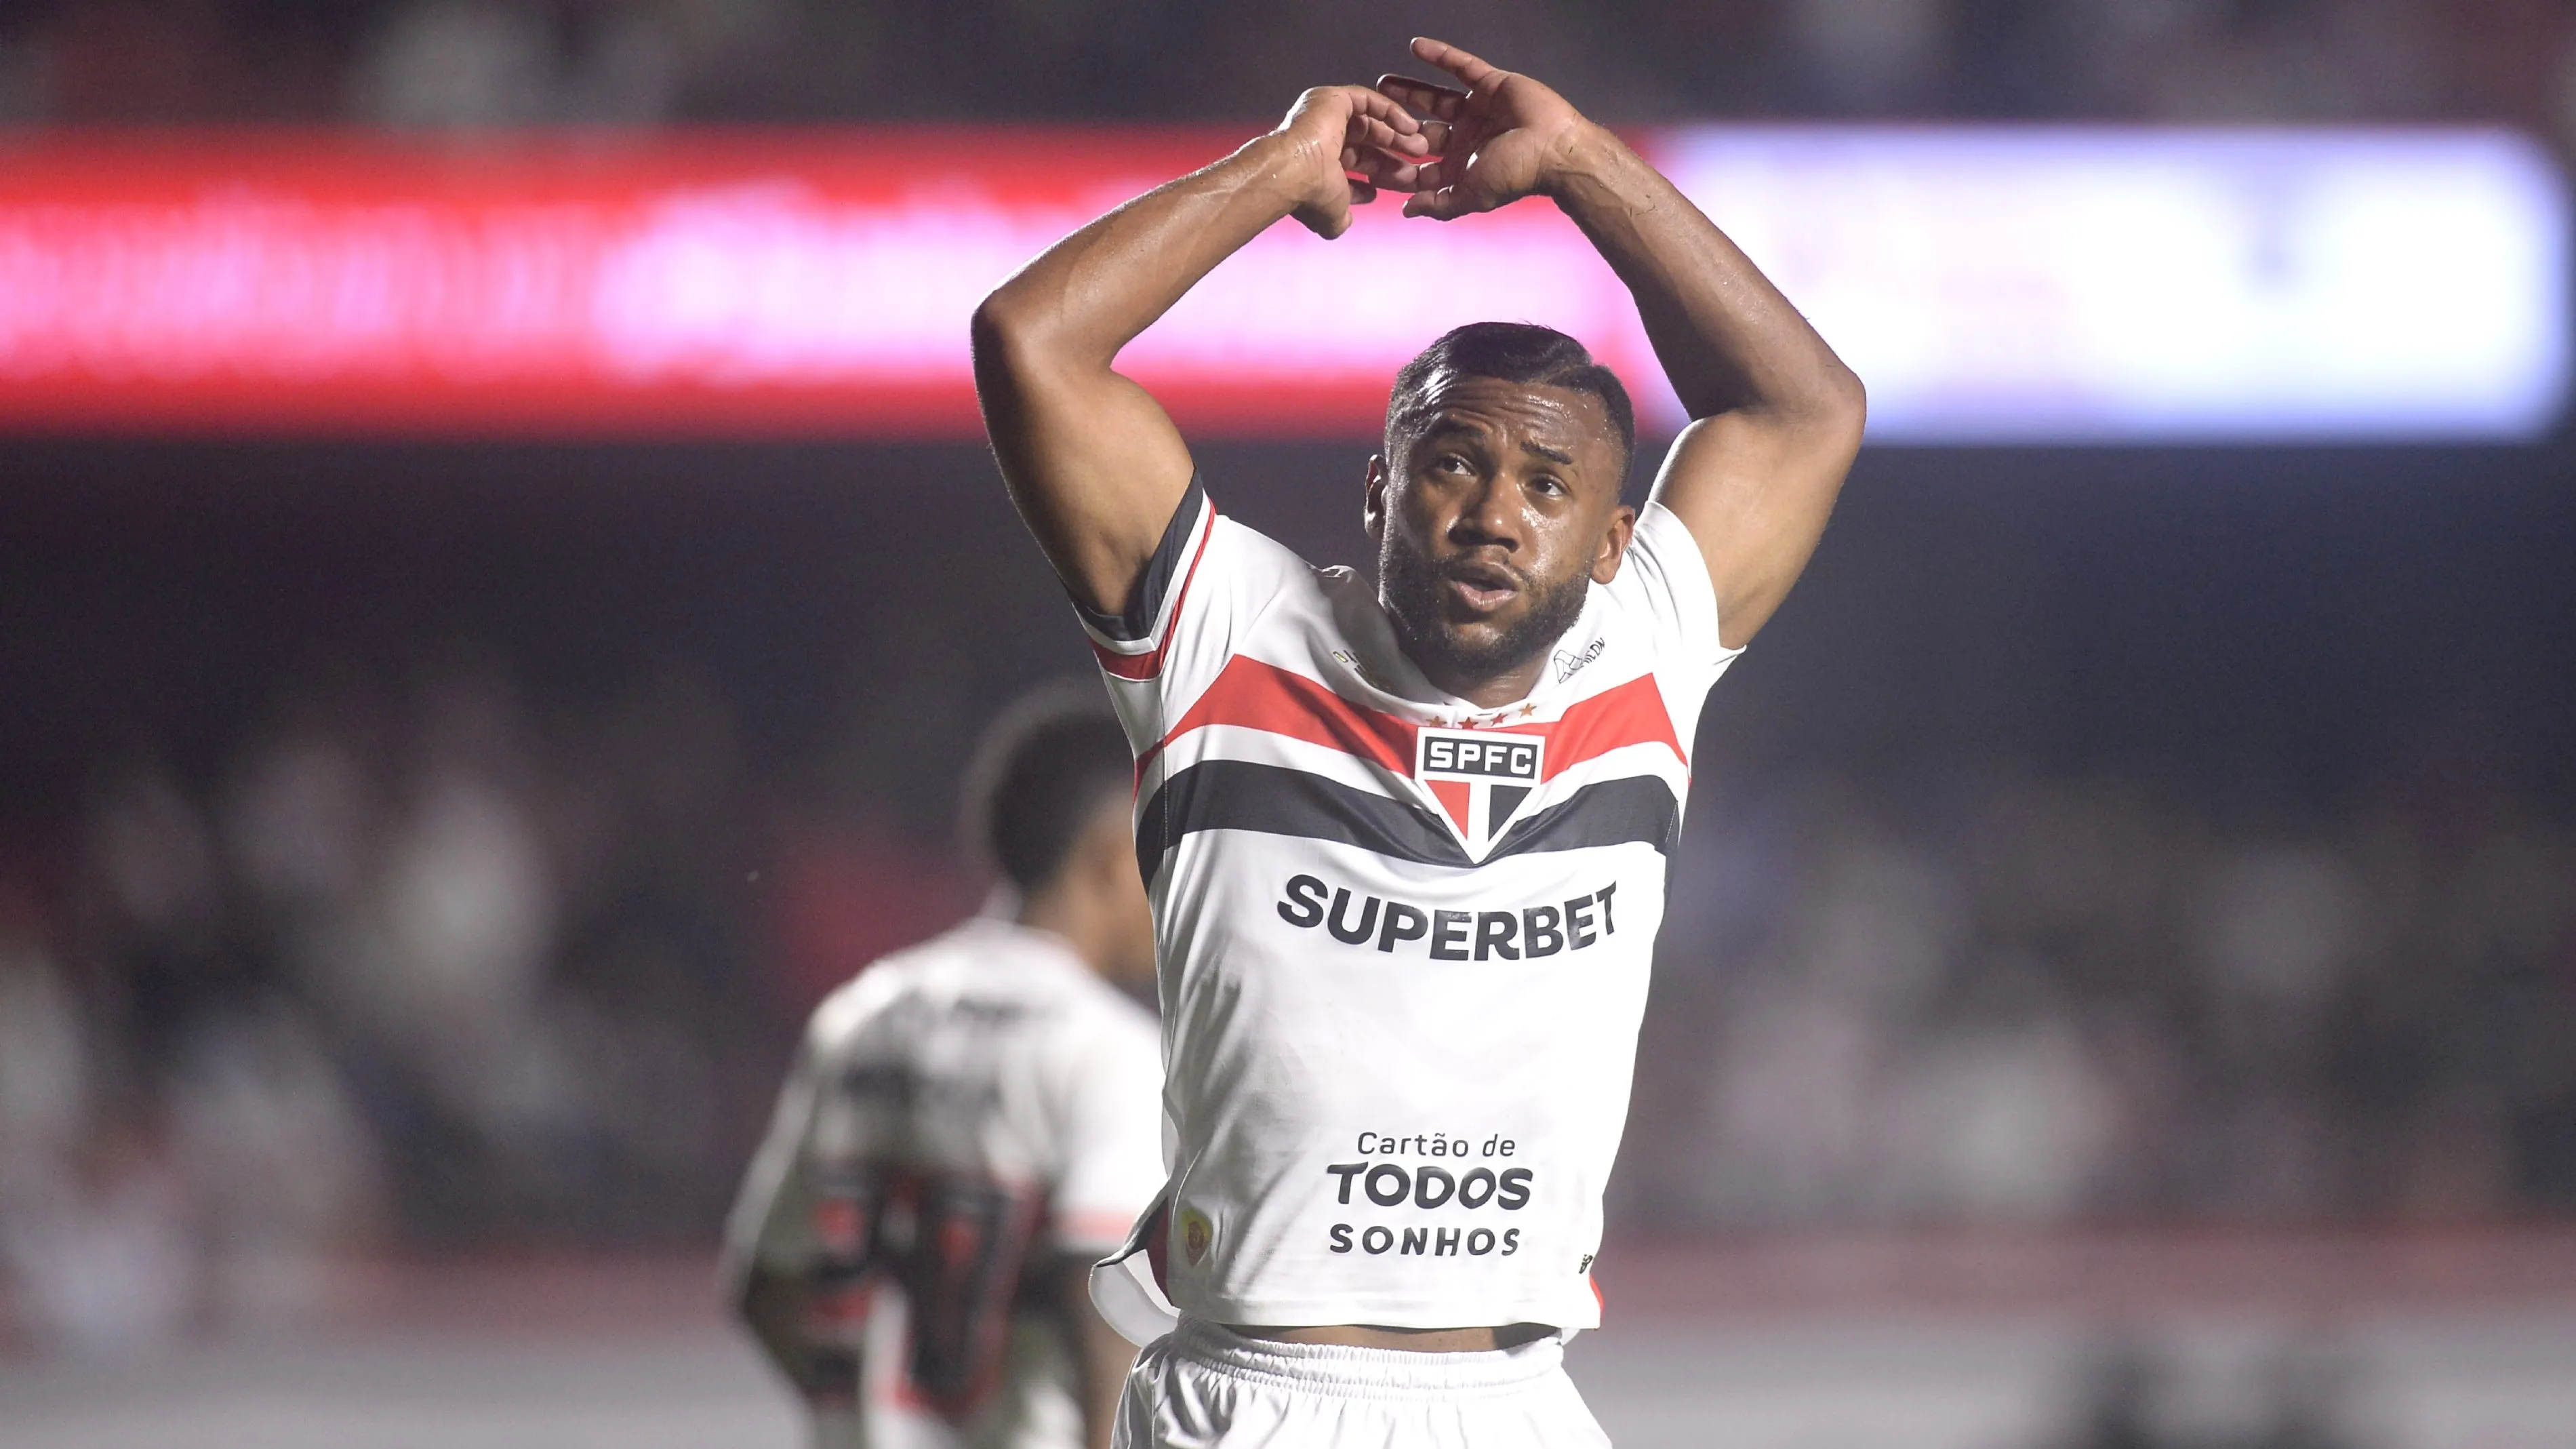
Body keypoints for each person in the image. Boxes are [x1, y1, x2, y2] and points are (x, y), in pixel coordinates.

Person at [971, 35, 1865, 1448]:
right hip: (1259, 1394)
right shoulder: (1228, 633)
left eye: (1548, 485)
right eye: (1453, 462)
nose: (1495, 513)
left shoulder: (1646, 646)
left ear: (1611, 540)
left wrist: (1581, 163)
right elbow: (1030, 342)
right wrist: (1279, 169)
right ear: (1380, 489)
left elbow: (1809, 407)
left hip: (1518, 1400)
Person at [723, 692, 1166, 1449]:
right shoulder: (1105, 1051)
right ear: (1106, 854)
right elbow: (1104, 1305)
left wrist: (887, 1412)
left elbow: (768, 1286)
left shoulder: (862, 1015)